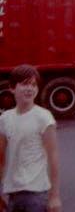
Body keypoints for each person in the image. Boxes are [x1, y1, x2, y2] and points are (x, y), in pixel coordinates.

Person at [0, 65, 62, 212]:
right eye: (25, 84)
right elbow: (0, 157)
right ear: (12, 88)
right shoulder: (5, 118)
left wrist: (54, 196)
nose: (30, 89)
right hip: (12, 195)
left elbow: (53, 157)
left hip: (36, 195)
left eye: (33, 85)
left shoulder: (44, 117)